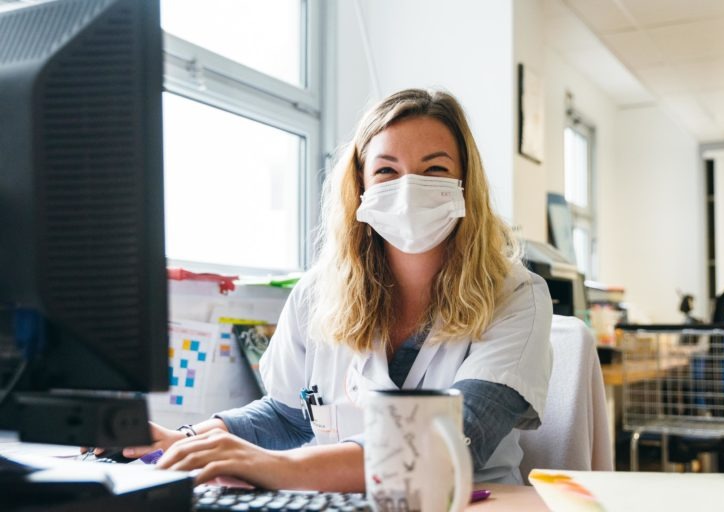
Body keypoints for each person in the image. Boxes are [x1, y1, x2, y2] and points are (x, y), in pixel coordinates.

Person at [123, 88, 553, 490]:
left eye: (434, 169)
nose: (407, 189)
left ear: (465, 183)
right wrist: (189, 439)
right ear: (360, 185)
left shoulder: (516, 296)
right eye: (386, 170)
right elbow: (288, 416)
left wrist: (273, 468)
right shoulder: (318, 292)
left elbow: (454, 441)